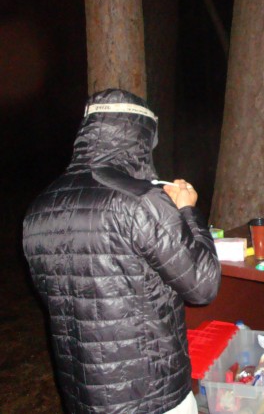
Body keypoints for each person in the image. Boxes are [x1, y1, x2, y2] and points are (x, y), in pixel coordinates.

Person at [22, 89, 221, 413]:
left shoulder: (39, 209)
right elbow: (204, 285)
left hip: (82, 394)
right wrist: (187, 211)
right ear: (138, 137)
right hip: (151, 394)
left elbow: (60, 298)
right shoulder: (140, 201)